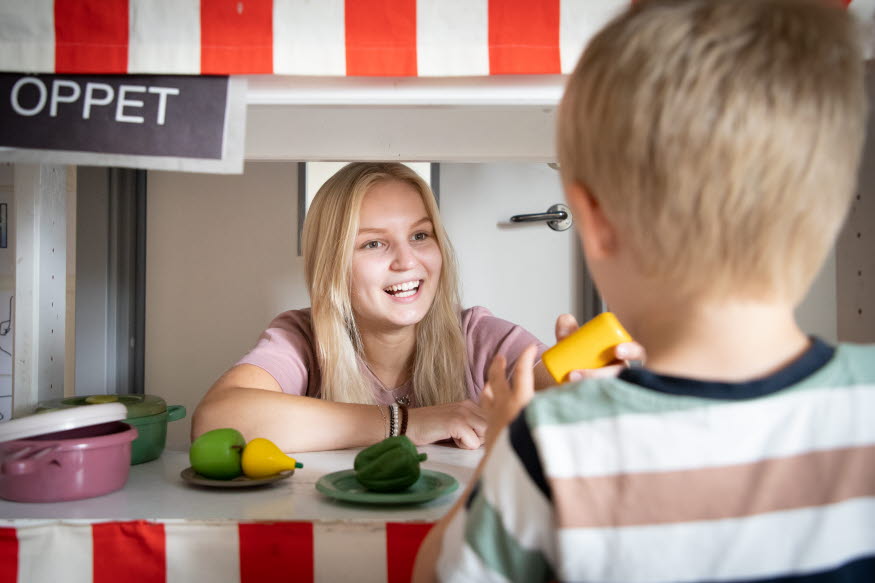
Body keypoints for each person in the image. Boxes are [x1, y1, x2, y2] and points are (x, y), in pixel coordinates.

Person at [414, 0, 875, 581]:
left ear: (595, 223)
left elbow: (435, 576)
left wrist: (502, 455)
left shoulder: (550, 447)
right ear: (828, 209)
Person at [191, 162, 637, 452]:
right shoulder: (300, 339)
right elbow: (215, 423)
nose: (407, 261)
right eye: (374, 243)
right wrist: (405, 423)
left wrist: (599, 385)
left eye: (420, 236)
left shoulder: (479, 336)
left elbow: (545, 388)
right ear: (332, 264)